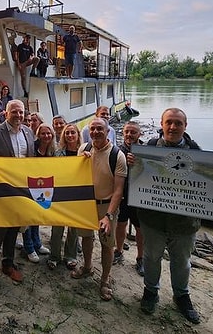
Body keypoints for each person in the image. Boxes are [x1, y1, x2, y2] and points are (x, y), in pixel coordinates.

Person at [135, 107, 213, 324]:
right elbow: (136, 179)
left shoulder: (198, 153)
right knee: (151, 258)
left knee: (182, 262)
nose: (173, 127)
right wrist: (131, 163)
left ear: (185, 126)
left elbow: (212, 182)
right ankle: (150, 292)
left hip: (184, 222)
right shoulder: (147, 150)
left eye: (178, 123)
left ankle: (181, 295)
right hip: (153, 219)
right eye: (169, 122)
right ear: (162, 125)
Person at [0, 99, 36, 289]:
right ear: (6, 113)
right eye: (15, 112)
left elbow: (32, 162)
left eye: (21, 112)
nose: (18, 115)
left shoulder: (28, 132)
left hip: (21, 191)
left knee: (13, 229)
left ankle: (8, 264)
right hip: (0, 192)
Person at [72, 117, 127, 302]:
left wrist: (109, 215)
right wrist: (80, 161)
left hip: (107, 206)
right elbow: (75, 176)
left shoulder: (117, 155)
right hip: (86, 203)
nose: (95, 132)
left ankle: (104, 279)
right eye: (92, 129)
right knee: (86, 237)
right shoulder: (83, 149)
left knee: (106, 244)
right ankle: (87, 267)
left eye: (99, 129)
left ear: (107, 131)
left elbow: (118, 191)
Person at [48, 123, 81, 270]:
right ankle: (54, 255)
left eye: (72, 133)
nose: (70, 135)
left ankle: (70, 256)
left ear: (78, 134)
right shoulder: (58, 152)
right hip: (60, 193)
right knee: (57, 227)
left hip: (77, 194)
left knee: (73, 228)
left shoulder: (84, 151)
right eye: (67, 133)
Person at [113, 121, 144, 276]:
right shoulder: (117, 150)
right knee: (120, 224)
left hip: (140, 196)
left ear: (140, 134)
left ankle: (140, 258)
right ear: (123, 133)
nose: (129, 135)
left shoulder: (147, 152)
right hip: (122, 194)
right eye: (126, 132)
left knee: (140, 229)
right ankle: (118, 250)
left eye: (133, 132)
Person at [22, 124, 54, 263]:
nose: (46, 136)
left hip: (44, 186)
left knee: (37, 216)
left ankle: (37, 243)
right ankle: (29, 247)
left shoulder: (54, 150)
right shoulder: (32, 147)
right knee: (27, 218)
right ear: (38, 134)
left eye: (49, 133)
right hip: (29, 184)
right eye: (43, 133)